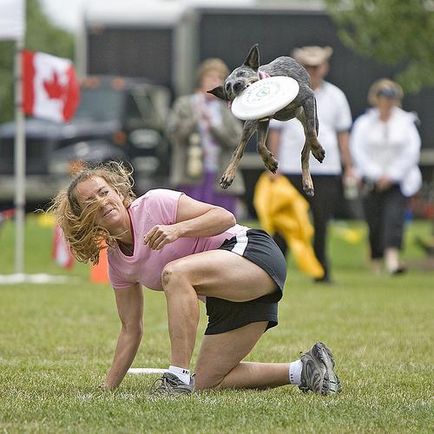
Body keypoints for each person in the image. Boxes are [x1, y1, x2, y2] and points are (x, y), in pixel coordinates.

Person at [48, 161, 341, 396]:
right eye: (89, 201)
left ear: (119, 192)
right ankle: (304, 369)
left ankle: (176, 376)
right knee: (208, 382)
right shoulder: (118, 263)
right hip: (226, 295)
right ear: (82, 218)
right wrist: (106, 389)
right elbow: (130, 330)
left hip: (251, 253)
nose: (101, 202)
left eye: (104, 192)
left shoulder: (154, 203)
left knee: (175, 273)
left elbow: (224, 217)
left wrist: (177, 230)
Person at [267, 46, 354, 283]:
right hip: (291, 167)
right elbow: (276, 132)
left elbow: (342, 136)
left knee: (322, 221)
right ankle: (273, 269)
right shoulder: (286, 93)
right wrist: (273, 165)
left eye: (316, 67)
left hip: (326, 168)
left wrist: (349, 167)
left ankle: (321, 269)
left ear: (324, 68)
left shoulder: (336, 96)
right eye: (308, 67)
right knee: (284, 222)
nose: (312, 71)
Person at [350, 79, 422, 274]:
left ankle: (392, 260)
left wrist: (392, 175)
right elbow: (358, 150)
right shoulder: (364, 123)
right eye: (383, 98)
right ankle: (375, 260)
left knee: (394, 218)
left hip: (399, 181)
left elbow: (411, 151)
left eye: (391, 98)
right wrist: (375, 174)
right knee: (374, 220)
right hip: (371, 181)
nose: (387, 102)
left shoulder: (406, 122)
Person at [167, 58, 244, 216]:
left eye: (219, 78)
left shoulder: (226, 108)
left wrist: (214, 126)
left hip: (219, 173)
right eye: (211, 77)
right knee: (192, 219)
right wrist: (195, 118)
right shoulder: (185, 104)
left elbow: (237, 139)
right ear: (201, 79)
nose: (215, 81)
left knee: (222, 221)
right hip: (192, 174)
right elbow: (174, 135)